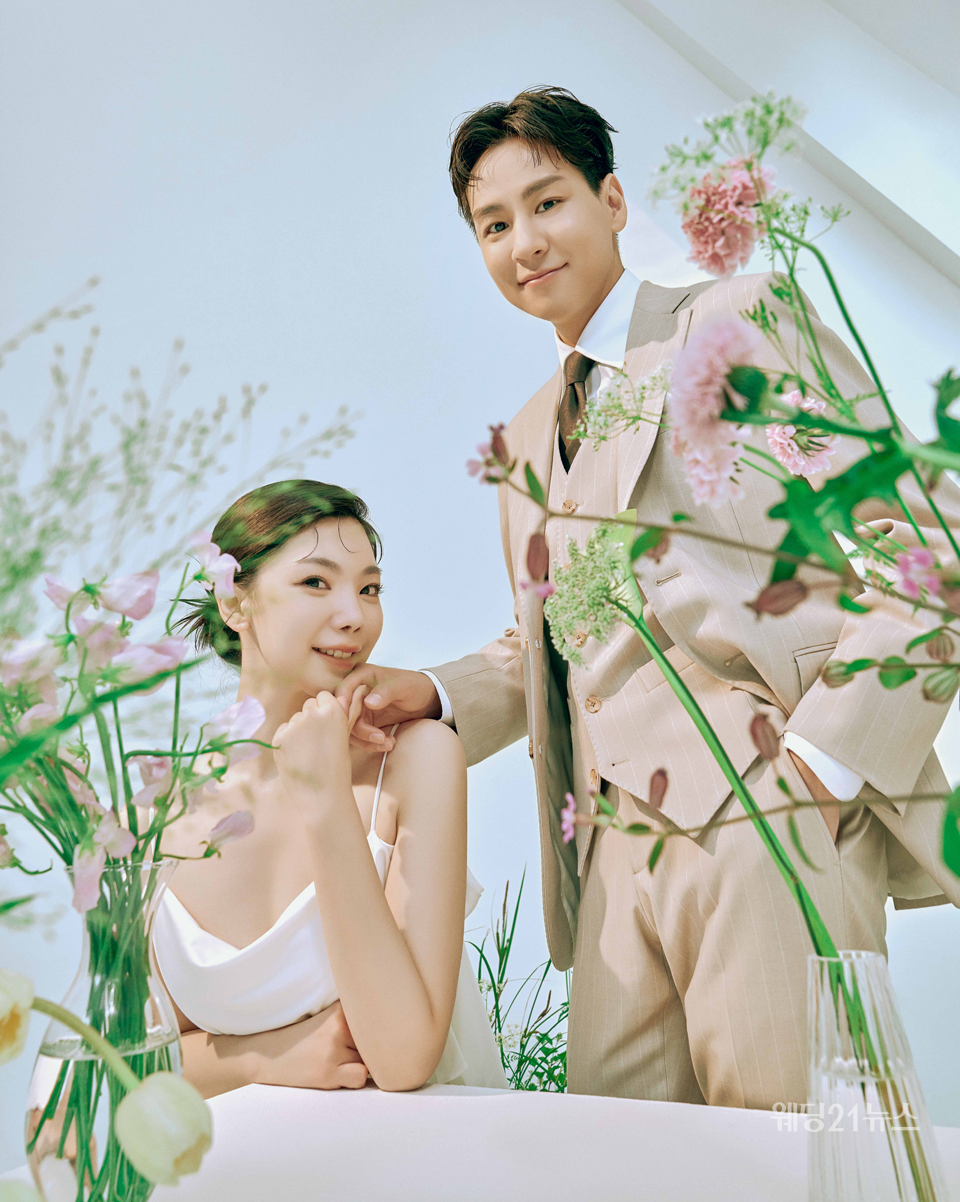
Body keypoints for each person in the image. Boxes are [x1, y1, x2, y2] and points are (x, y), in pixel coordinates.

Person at [337, 86, 960, 1110]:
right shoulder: (528, 434)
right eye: (493, 225)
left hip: (765, 809)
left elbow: (930, 542)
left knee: (798, 1156)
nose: (525, 242)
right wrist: (436, 695)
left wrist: (825, 758)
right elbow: (562, 639)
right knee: (619, 1165)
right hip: (608, 858)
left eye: (548, 203)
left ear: (614, 200)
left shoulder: (735, 319)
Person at [153, 479, 506, 1097]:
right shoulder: (160, 808)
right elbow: (124, 1069)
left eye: (369, 589)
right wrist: (262, 1060)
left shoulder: (417, 758)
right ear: (234, 602)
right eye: (316, 582)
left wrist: (326, 801)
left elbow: (402, 1058)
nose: (354, 616)